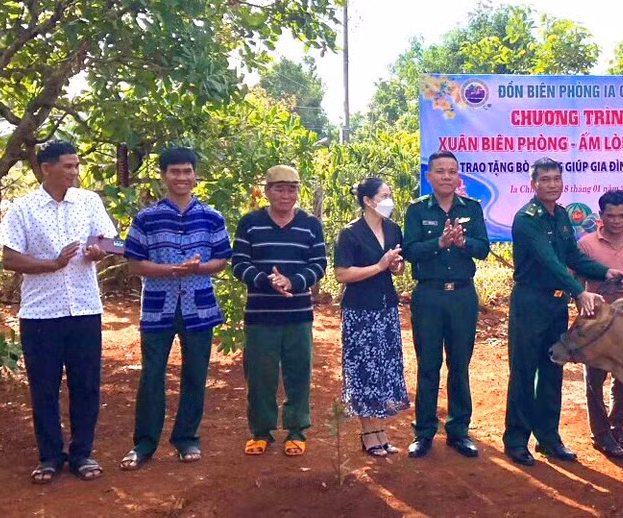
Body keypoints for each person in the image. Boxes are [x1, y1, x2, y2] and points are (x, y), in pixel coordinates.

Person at [0, 140, 116, 483]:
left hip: (84, 309)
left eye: (76, 165)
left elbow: (107, 242)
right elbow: (10, 258)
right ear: (45, 168)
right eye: (67, 166)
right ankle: (49, 457)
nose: (75, 172)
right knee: (44, 387)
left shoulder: (89, 201)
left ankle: (82, 455)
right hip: (40, 315)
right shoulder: (24, 208)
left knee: (86, 384)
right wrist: (53, 263)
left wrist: (98, 251)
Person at [503, 158, 622, 467]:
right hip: (530, 304)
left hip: (556, 306)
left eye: (557, 178)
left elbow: (571, 256)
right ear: (534, 184)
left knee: (552, 370)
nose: (552, 184)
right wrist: (579, 292)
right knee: (524, 371)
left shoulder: (562, 216)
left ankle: (548, 438)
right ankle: (516, 440)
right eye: (545, 179)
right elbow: (549, 262)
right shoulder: (527, 219)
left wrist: (605, 271)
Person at [120, 147, 232, 470]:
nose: (181, 177)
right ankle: (144, 444)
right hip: (157, 309)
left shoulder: (211, 217)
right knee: (152, 375)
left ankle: (186, 439)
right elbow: (134, 264)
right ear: (163, 175)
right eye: (175, 172)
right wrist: (170, 271)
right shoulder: (146, 218)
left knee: (195, 374)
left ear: (195, 175)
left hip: (199, 308)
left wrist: (199, 268)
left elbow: (222, 259)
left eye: (187, 171)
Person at [232, 165, 327, 457]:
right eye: (279, 188)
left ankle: (296, 430)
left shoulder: (310, 225)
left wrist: (292, 281)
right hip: (260, 315)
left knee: (299, 373)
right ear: (267, 190)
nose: (286, 195)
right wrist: (267, 280)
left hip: (298, 314)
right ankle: (261, 431)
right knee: (260, 375)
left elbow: (319, 264)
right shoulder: (250, 223)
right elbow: (239, 263)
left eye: (292, 188)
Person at [403, 150, 490, 458]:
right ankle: (424, 432)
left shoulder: (473, 209)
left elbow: (483, 249)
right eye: (440, 171)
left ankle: (458, 431)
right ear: (429, 177)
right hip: (429, 296)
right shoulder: (416, 210)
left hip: (463, 297)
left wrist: (462, 242)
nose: (446, 177)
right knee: (428, 365)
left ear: (458, 177)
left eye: (452, 172)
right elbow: (410, 251)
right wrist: (438, 243)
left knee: (459, 365)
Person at [334, 177, 409, 457]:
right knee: (364, 371)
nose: (389, 200)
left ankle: (381, 432)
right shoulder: (350, 233)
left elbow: (396, 269)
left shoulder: (393, 229)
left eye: (390, 195)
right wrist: (378, 266)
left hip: (386, 307)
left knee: (384, 369)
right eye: (384, 195)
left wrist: (395, 266)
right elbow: (342, 274)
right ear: (367, 200)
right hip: (360, 311)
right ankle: (369, 434)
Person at [577, 190, 623, 459]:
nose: (617, 221)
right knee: (595, 377)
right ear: (601, 216)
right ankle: (601, 433)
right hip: (597, 322)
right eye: (611, 216)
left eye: (621, 215)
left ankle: (617, 425)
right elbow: (576, 284)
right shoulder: (586, 245)